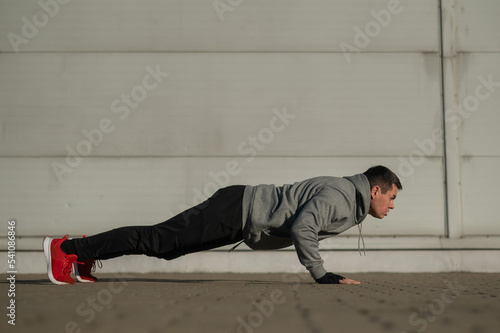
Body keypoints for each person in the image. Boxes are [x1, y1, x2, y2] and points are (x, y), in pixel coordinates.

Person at [43, 165, 401, 285]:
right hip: (235, 210)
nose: (392, 205)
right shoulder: (341, 196)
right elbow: (303, 227)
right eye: (392, 197)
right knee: (158, 241)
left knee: (165, 247)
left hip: (238, 213)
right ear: (374, 190)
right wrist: (321, 274)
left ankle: (84, 251)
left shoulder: (344, 195)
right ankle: (68, 250)